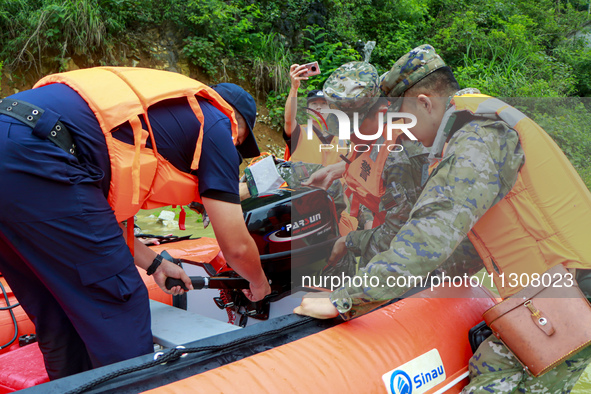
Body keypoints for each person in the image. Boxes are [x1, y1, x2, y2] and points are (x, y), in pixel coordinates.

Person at [295, 44, 591, 392]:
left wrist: (346, 298)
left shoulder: (476, 139)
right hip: (557, 287)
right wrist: (417, 286)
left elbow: (429, 236)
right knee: (489, 362)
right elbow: (466, 245)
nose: (402, 131)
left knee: (497, 376)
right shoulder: (479, 129)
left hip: (571, 291)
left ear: (424, 102)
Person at [0, 67, 271, 380]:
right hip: (40, 153)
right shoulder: (215, 125)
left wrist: (156, 263)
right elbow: (236, 246)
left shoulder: (154, 116)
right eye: (240, 144)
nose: (235, 149)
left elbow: (96, 225)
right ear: (235, 122)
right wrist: (259, 282)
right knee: (119, 303)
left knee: (56, 310)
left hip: (18, 139)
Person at [283, 63, 344, 166]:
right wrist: (294, 88)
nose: (319, 107)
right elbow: (289, 120)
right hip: (303, 182)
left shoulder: (343, 139)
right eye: (314, 103)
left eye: (324, 104)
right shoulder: (298, 133)